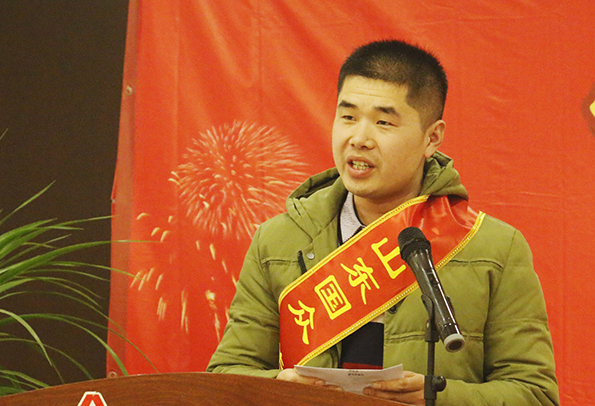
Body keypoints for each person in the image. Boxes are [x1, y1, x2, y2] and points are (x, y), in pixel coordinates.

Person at [207, 39, 559, 406]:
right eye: (348, 117)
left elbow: (535, 395)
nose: (359, 139)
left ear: (432, 138)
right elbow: (226, 375)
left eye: (383, 122)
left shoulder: (493, 247)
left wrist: (437, 396)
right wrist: (281, 386)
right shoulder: (278, 240)